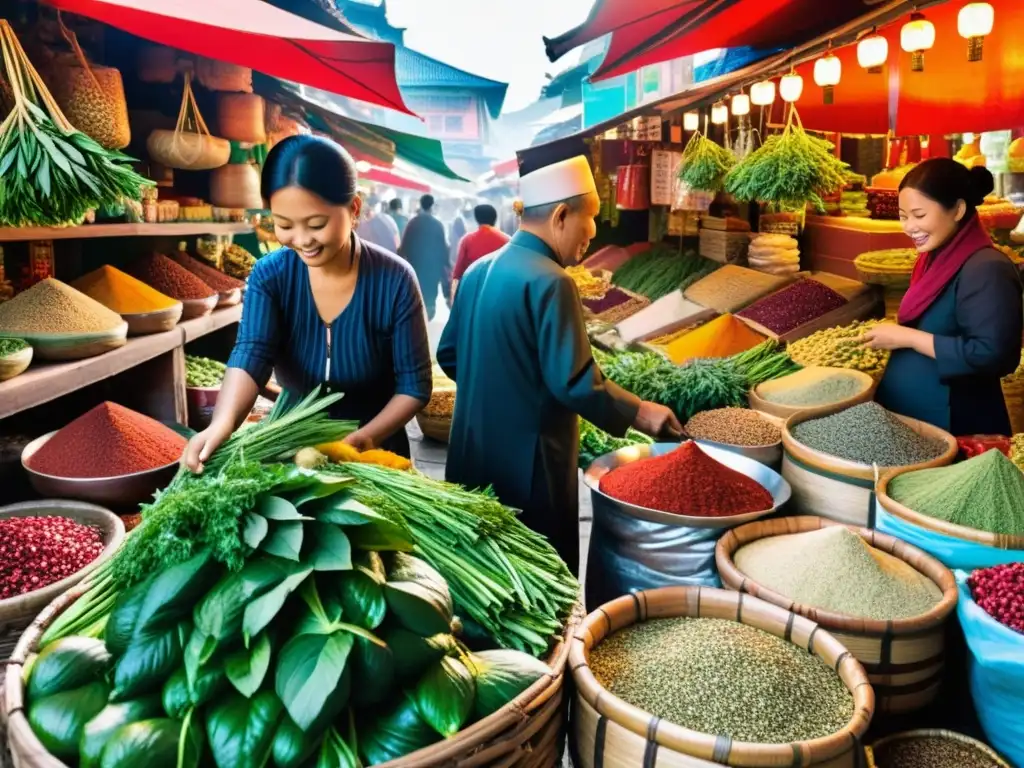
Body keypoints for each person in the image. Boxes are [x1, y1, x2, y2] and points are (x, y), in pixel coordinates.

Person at [436, 155, 682, 575]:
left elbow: (450, 355)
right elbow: (575, 383)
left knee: (480, 573)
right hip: (531, 469)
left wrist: (498, 389)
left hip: (470, 456)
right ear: (561, 215)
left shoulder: (478, 271)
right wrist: (642, 412)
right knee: (539, 579)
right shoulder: (552, 280)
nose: (592, 234)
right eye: (591, 220)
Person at [182, 135, 432, 470]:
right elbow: (252, 354)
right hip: (290, 446)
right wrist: (222, 425)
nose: (301, 240)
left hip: (375, 452)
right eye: (283, 225)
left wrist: (367, 438)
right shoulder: (270, 275)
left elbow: (414, 386)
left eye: (316, 224)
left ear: (354, 209)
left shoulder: (396, 279)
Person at [866, 158, 1022, 434]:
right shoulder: (933, 257)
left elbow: (992, 355)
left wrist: (909, 338)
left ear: (958, 209)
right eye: (903, 216)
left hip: (957, 422)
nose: (909, 227)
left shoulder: (986, 268)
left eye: (919, 215)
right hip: (919, 419)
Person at [399, 194, 449, 321]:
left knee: (415, 293)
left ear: (420, 205)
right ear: (432, 206)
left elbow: (404, 245)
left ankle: (417, 322)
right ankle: (426, 320)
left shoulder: (413, 223)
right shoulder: (438, 225)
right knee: (430, 297)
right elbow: (443, 248)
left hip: (415, 266)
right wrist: (446, 264)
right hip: (432, 268)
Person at [451, 204, 509, 299]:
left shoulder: (467, 240)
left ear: (477, 219)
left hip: (473, 295)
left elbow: (457, 274)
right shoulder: (507, 240)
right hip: (498, 295)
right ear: (495, 219)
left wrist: (454, 301)